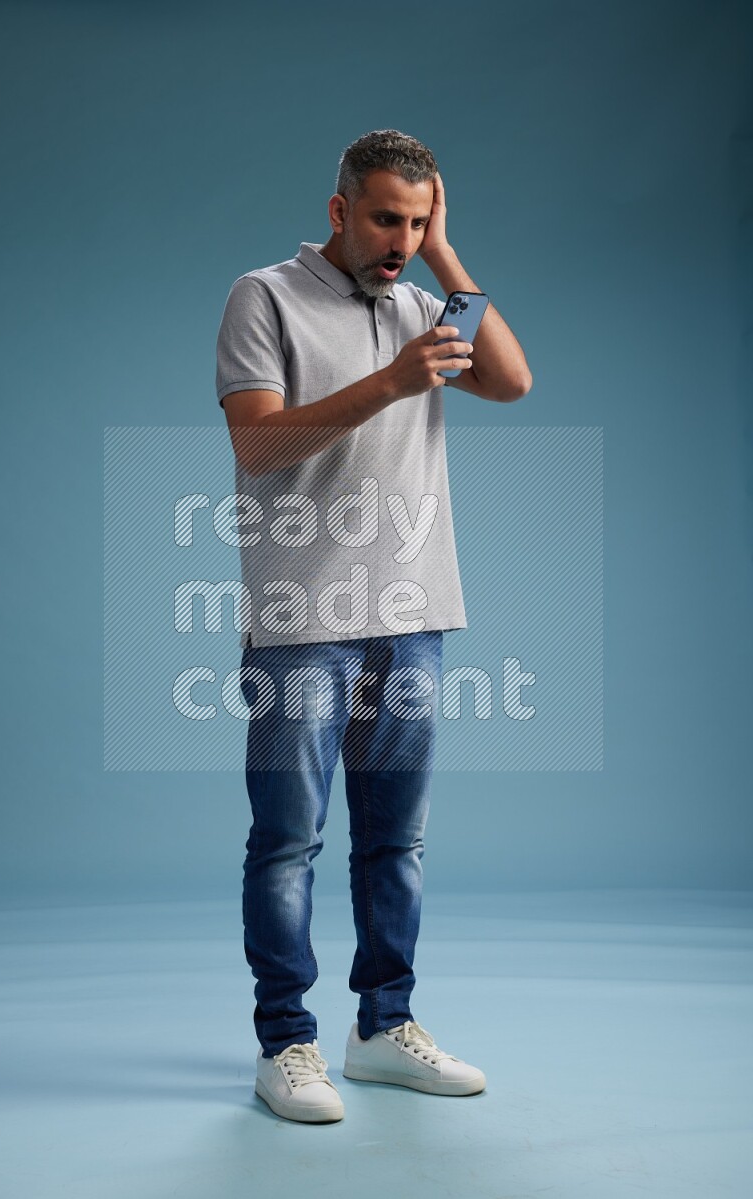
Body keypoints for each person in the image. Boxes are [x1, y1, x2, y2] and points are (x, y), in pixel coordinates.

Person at [215, 129, 532, 1123]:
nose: (400, 239)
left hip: (411, 611)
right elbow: (258, 442)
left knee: (396, 841)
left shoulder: (421, 305)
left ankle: (382, 1026)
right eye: (387, 218)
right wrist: (393, 381)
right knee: (288, 841)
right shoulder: (263, 296)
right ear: (339, 209)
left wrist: (446, 257)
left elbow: (510, 379)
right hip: (300, 616)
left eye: (417, 221)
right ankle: (286, 1041)